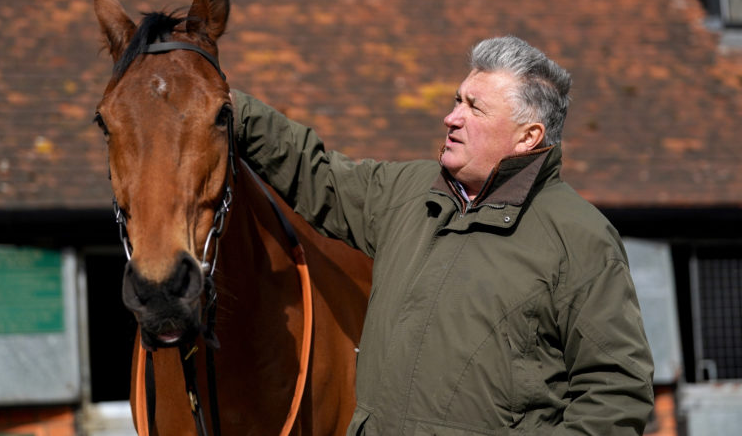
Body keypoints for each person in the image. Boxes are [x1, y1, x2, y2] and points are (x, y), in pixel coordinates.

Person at [231, 36, 654, 435]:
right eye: (457, 100)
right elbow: (316, 172)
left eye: (475, 108)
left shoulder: (580, 237)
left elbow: (616, 390)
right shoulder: (406, 192)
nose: (451, 118)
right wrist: (227, 106)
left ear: (528, 137)